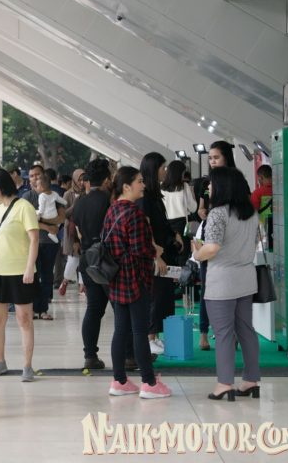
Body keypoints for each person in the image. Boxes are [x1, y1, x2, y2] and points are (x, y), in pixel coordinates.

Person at [191, 167, 260, 401]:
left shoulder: (218, 214)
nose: (208, 188)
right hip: (246, 279)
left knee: (223, 334)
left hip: (222, 281)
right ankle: (251, 380)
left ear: (223, 186)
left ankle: (224, 383)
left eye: (211, 183)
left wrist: (197, 254)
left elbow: (212, 248)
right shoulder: (251, 213)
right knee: (246, 331)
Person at [105, 167, 172, 399]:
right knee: (140, 331)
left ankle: (119, 381)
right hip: (135, 278)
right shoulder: (134, 213)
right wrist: (156, 250)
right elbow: (139, 249)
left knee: (120, 330)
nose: (143, 185)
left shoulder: (112, 210)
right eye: (139, 181)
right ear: (127, 186)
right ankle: (149, 383)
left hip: (116, 278)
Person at [0, 168, 40, 382]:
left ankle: (27, 365)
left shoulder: (24, 207)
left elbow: (34, 239)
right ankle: (0, 361)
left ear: (0, 187)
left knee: (24, 320)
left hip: (20, 273)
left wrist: (29, 268)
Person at [137, 152, 182, 357]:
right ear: (153, 170)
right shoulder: (145, 198)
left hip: (163, 252)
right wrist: (157, 256)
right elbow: (146, 229)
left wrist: (174, 234)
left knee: (163, 297)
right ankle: (149, 338)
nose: (165, 171)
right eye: (163, 168)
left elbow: (160, 223)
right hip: (154, 256)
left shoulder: (156, 195)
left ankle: (154, 336)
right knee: (155, 297)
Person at [71, 158, 114, 369]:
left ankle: (90, 355)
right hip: (107, 259)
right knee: (121, 308)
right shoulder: (108, 201)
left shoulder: (80, 202)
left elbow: (77, 229)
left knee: (94, 309)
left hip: (87, 259)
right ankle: (128, 354)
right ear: (107, 180)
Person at [196, 140, 237, 350]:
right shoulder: (207, 182)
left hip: (231, 237)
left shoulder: (237, 180)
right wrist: (203, 211)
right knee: (207, 287)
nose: (212, 161)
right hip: (210, 234)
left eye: (216, 157)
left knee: (231, 288)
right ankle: (204, 333)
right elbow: (200, 208)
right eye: (210, 158)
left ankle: (231, 333)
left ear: (226, 158)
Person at [22, 165, 64, 320]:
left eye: (37, 175)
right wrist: (47, 226)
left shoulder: (53, 194)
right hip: (32, 242)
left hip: (50, 243)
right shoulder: (27, 197)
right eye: (31, 176)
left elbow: (61, 217)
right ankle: (33, 308)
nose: (35, 178)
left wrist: (41, 221)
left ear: (44, 176)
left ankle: (44, 309)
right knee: (33, 275)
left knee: (47, 276)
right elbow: (24, 220)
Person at [161, 160, 197, 264]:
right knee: (183, 253)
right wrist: (193, 194)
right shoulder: (184, 186)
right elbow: (193, 208)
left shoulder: (160, 187)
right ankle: (182, 273)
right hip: (182, 224)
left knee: (170, 252)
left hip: (166, 224)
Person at [58, 169, 85, 296]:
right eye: (79, 179)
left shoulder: (87, 192)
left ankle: (82, 286)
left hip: (84, 229)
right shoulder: (68, 194)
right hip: (72, 231)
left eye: (83, 179)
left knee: (84, 259)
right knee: (73, 259)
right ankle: (65, 281)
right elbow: (63, 214)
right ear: (74, 180)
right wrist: (75, 206)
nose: (81, 182)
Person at [36, 171, 67, 244]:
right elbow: (61, 200)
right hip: (54, 214)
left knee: (35, 212)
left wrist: (39, 214)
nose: (36, 188)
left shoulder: (41, 196)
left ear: (42, 187)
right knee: (59, 222)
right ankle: (53, 234)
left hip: (45, 215)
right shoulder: (54, 193)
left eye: (37, 186)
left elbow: (41, 208)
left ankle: (52, 233)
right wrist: (66, 202)